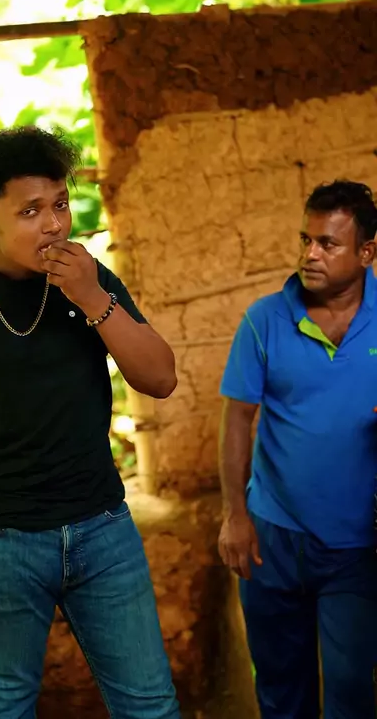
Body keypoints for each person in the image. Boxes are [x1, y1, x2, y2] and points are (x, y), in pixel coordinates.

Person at [0, 126, 180, 719]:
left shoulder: (92, 284)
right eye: (30, 211)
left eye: (59, 204)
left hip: (102, 532)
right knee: (2, 707)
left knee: (150, 705)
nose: (54, 224)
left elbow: (160, 379)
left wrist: (93, 298)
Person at [218, 179, 377, 719]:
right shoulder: (264, 320)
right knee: (282, 687)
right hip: (272, 538)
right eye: (306, 240)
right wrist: (235, 516)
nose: (311, 254)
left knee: (351, 687)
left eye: (328, 243)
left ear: (366, 252)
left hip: (356, 546)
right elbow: (237, 419)